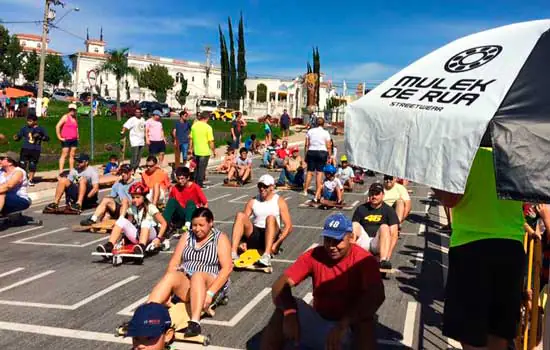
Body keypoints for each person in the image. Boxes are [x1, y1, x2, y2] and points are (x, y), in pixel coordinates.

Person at [432, 147, 525, 350]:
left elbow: (451, 199)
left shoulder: (464, 151)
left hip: (471, 246)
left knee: (471, 334)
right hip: (512, 244)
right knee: (499, 333)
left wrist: (434, 182)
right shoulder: (516, 152)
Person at [259, 213, 385, 350]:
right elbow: (279, 285)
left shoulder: (364, 260)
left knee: (366, 323)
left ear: (351, 238)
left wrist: (344, 323)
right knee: (281, 311)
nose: (331, 246)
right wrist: (290, 312)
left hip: (349, 325)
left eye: (337, 241)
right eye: (328, 239)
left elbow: (377, 295)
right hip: (321, 319)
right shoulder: (315, 255)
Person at [147, 207, 232, 337]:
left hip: (211, 282)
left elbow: (227, 269)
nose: (197, 229)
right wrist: (169, 291)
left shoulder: (220, 238)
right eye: (194, 225)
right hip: (188, 280)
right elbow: (174, 262)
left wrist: (210, 294)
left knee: (198, 276)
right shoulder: (187, 236)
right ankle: (145, 315)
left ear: (211, 223)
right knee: (171, 276)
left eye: (201, 225)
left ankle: (195, 322)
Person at [230, 174, 293, 267]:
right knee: (240, 215)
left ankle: (266, 255)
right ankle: (233, 253)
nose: (262, 189)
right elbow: (242, 224)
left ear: (272, 187)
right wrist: (242, 241)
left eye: (265, 186)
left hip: (272, 235)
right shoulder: (253, 201)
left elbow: (289, 227)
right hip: (256, 234)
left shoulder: (279, 201)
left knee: (270, 218)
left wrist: (276, 244)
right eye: (260, 186)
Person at [96, 182, 168, 257]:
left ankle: (142, 247)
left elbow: (164, 223)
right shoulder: (132, 208)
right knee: (121, 220)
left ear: (143, 197)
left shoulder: (151, 207)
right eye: (133, 197)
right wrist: (123, 238)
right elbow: (128, 223)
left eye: (137, 197)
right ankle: (109, 245)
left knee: (145, 222)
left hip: (151, 235)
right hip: (138, 235)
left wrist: (158, 238)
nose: (134, 200)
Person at [351, 183, 399, 270]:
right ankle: (350, 256)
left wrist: (388, 256)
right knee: (354, 224)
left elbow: (394, 234)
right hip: (364, 241)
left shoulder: (389, 210)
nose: (374, 196)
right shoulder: (361, 208)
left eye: (377, 194)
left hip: (378, 244)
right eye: (372, 194)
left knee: (384, 227)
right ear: (369, 195)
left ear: (383, 195)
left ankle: (383, 260)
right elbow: (352, 231)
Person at [163, 166, 208, 234]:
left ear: (188, 178)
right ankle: (163, 224)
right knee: (171, 201)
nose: (180, 181)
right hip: (181, 213)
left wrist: (204, 219)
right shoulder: (175, 188)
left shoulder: (195, 187)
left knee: (190, 202)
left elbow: (205, 203)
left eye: (182, 179)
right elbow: (170, 205)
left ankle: (187, 226)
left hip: (193, 213)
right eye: (178, 179)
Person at [13, 115, 50, 186]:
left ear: (35, 121)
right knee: (22, 164)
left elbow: (47, 138)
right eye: (28, 121)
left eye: (30, 121)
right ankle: (23, 179)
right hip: (25, 148)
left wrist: (41, 137)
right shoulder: (24, 128)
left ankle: (30, 179)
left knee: (32, 165)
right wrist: (17, 137)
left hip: (35, 149)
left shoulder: (41, 129)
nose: (28, 122)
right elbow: (19, 135)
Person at [303, 117, 332, 202]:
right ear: (323, 124)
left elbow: (306, 144)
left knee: (310, 172)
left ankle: (305, 190)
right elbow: (329, 146)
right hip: (322, 152)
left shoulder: (310, 131)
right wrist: (329, 156)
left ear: (315, 123)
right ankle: (317, 192)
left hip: (311, 151)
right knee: (319, 173)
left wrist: (306, 155)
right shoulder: (326, 133)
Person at [191, 113, 216, 188]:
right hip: (204, 151)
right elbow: (211, 141)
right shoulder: (208, 127)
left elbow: (191, 138)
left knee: (196, 167)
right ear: (207, 118)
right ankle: (199, 184)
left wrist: (190, 148)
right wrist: (214, 151)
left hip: (196, 150)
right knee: (202, 168)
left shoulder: (194, 125)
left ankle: (195, 182)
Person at [56, 103, 79, 173]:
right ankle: (61, 171)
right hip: (66, 138)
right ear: (69, 110)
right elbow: (57, 126)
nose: (72, 111)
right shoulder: (65, 117)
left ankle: (71, 170)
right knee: (64, 154)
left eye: (74, 110)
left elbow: (76, 127)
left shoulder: (75, 118)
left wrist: (78, 135)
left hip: (74, 139)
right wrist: (59, 137)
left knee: (72, 154)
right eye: (71, 109)